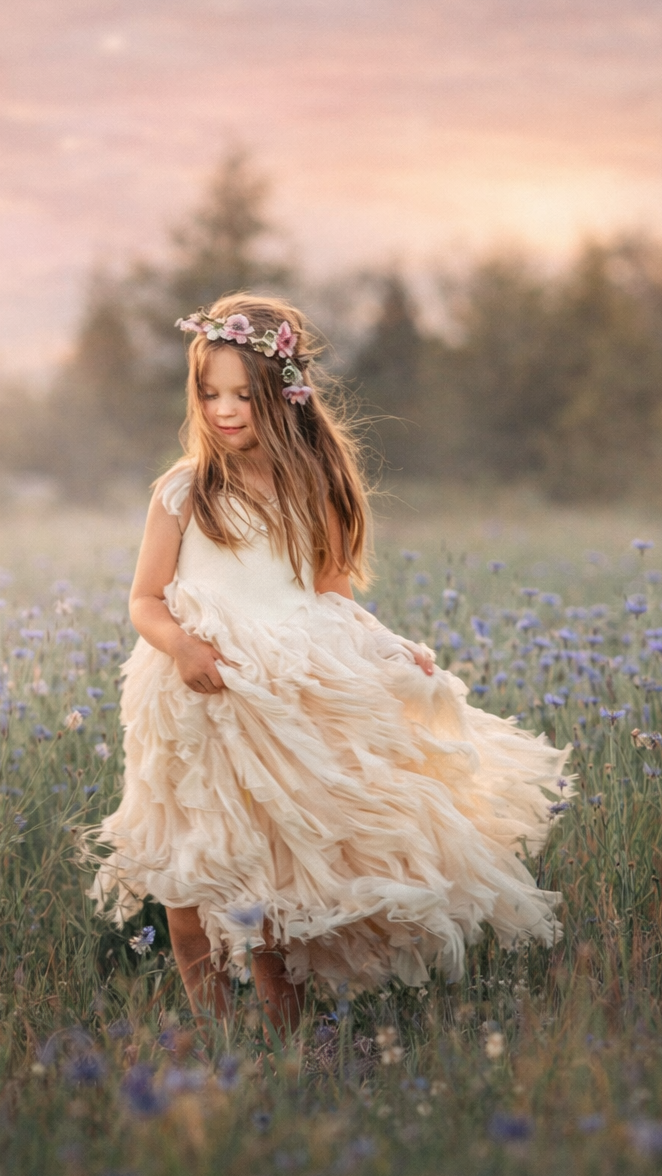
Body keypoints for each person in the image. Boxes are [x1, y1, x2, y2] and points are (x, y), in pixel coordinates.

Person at [85, 293, 568, 1037]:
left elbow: (333, 595)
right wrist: (182, 644)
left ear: (285, 395)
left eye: (242, 395)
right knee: (182, 882)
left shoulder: (316, 486)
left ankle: (288, 1046)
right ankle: (213, 1041)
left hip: (281, 698)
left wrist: (389, 647)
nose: (223, 410)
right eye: (209, 393)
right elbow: (146, 600)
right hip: (191, 701)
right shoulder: (185, 491)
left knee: (269, 897)